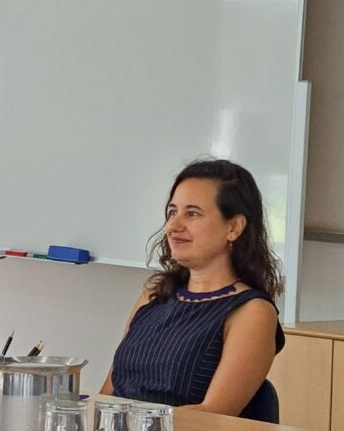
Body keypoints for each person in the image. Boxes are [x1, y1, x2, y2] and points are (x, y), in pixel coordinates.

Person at [101, 159, 285, 416]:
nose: (174, 226)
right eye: (172, 212)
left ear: (234, 227)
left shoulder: (252, 312)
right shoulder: (154, 296)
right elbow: (108, 395)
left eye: (193, 213)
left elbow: (212, 417)